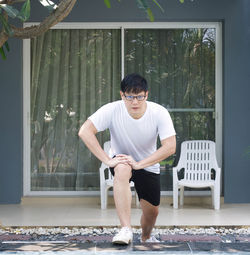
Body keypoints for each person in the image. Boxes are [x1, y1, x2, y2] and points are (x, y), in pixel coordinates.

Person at [78, 73, 176, 245]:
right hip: (121, 159)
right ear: (122, 95)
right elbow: (85, 131)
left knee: (152, 212)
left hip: (147, 163)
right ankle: (125, 229)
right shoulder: (112, 109)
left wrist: (139, 164)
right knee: (122, 168)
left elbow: (170, 146)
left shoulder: (159, 112)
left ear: (147, 94)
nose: (135, 102)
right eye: (130, 96)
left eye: (139, 96)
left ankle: (145, 236)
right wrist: (108, 160)